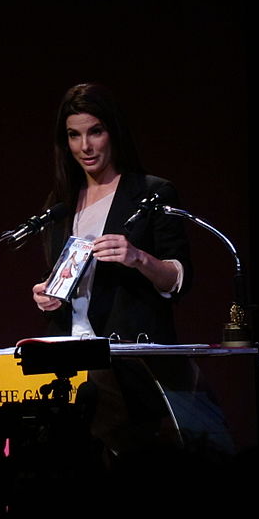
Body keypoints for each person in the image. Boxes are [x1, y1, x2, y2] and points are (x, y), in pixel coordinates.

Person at [31, 83, 235, 460]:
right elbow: (72, 288)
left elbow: (179, 279)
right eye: (74, 135)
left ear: (113, 132)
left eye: (95, 132)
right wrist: (48, 294)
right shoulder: (59, 205)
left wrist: (138, 257)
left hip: (129, 363)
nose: (85, 147)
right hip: (69, 361)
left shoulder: (152, 193)